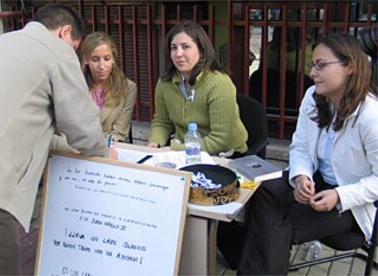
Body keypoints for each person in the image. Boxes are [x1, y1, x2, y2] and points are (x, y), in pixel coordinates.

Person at [0, 4, 110, 274]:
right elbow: (84, 128)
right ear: (66, 33)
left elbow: (21, 125)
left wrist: (66, 147)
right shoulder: (55, 51)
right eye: (76, 48)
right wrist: (104, 153)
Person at [237, 32, 378, 274]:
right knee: (262, 193)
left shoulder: (370, 116)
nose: (313, 73)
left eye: (321, 65)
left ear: (350, 67)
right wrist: (301, 177)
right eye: (313, 65)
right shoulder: (314, 97)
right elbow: (300, 146)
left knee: (274, 227)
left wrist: (339, 196)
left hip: (352, 200)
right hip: (316, 181)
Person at [148, 21, 248, 156]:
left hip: (226, 155)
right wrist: (155, 144)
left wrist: (176, 150)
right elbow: (162, 122)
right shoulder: (165, 82)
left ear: (201, 50)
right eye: (173, 48)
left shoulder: (219, 83)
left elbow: (221, 140)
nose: (178, 54)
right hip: (184, 152)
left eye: (186, 47)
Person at [52, 32, 137, 152]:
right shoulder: (73, 84)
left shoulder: (128, 88)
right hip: (73, 149)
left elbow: (119, 132)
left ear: (113, 58)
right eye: (95, 59)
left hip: (107, 149)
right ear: (86, 60)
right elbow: (62, 127)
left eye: (107, 59)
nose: (102, 66)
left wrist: (98, 148)